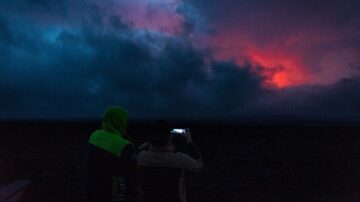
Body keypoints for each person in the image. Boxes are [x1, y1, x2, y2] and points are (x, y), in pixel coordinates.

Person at [137, 120, 203, 202]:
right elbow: (198, 165)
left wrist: (144, 145)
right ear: (170, 137)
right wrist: (189, 142)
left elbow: (135, 155)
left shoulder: (141, 157)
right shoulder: (180, 159)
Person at [87, 107, 137, 202]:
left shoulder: (94, 135)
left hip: (93, 188)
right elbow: (131, 170)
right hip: (114, 193)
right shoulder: (124, 145)